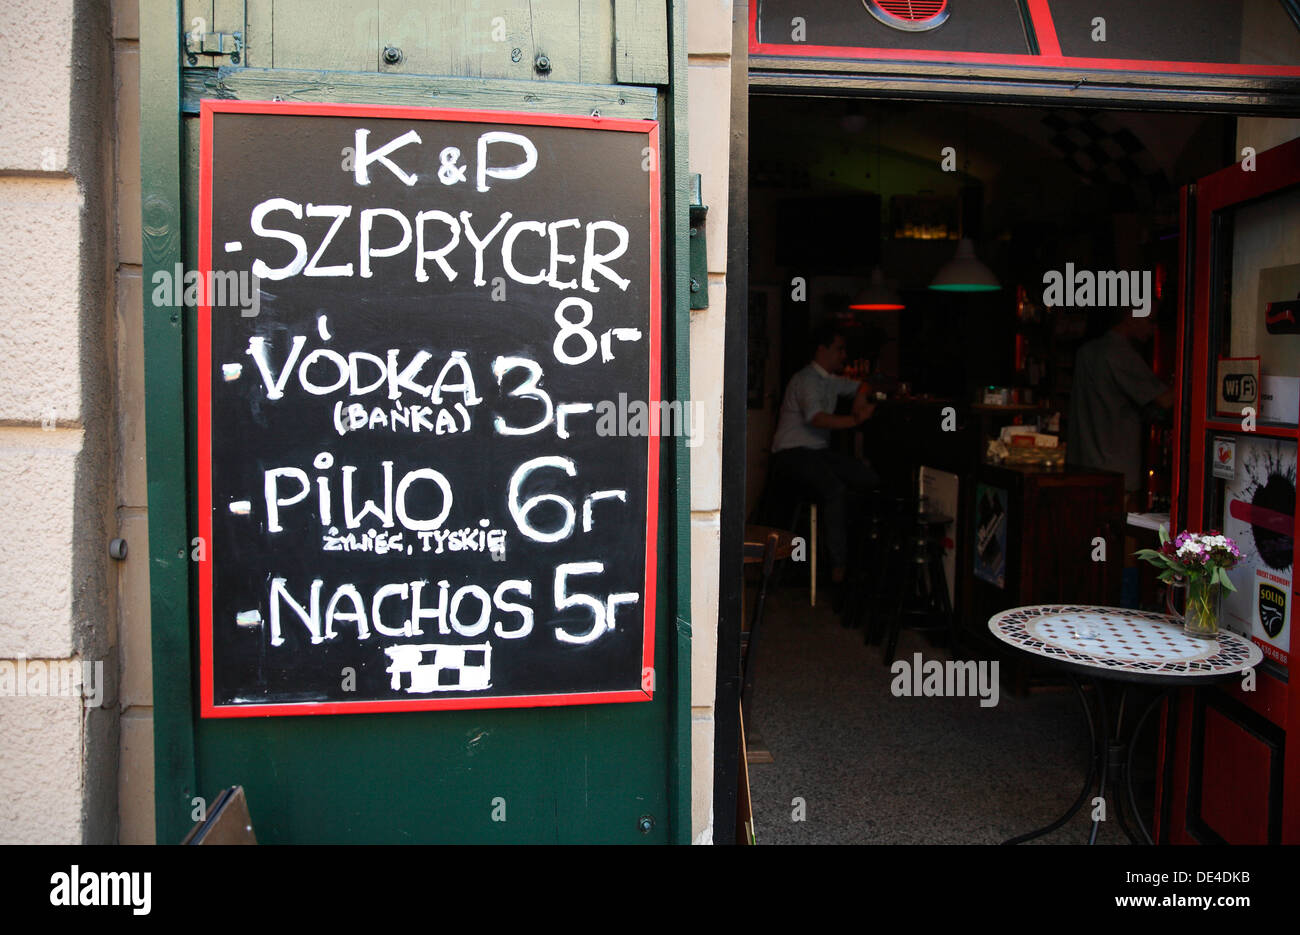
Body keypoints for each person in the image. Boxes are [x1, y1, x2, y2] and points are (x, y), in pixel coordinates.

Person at [769, 325, 879, 593]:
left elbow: (864, 384)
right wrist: (854, 419)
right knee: (833, 489)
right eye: (839, 349)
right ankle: (837, 569)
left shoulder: (832, 380)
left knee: (866, 478)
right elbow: (815, 418)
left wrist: (860, 398)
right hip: (790, 454)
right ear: (822, 349)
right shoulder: (806, 379)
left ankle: (861, 560)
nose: (844, 355)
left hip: (817, 453)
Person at [1066, 309, 1175, 510]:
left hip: (1082, 466)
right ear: (1130, 314)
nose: (1153, 329)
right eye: (1150, 320)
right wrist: (1194, 374)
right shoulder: (1120, 353)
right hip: (1115, 471)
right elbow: (1165, 400)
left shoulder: (1087, 351)